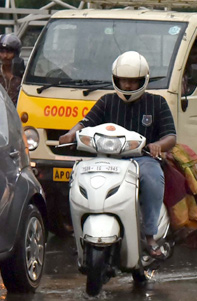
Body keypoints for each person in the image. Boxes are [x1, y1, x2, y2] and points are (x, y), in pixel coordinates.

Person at [61, 51, 176, 259]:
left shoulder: (157, 103)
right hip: (105, 159)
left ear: (143, 80)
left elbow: (171, 136)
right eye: (124, 80)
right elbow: (86, 123)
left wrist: (158, 145)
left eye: (133, 81)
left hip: (142, 159)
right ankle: (79, 233)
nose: (128, 86)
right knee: (77, 178)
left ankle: (150, 237)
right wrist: (71, 134)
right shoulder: (106, 101)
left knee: (153, 178)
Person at [0, 33, 24, 106]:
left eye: (9, 52)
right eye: (2, 52)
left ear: (16, 53)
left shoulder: (23, 75)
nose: (5, 56)